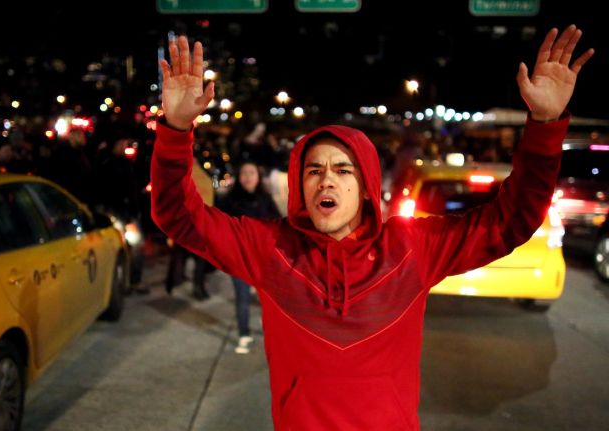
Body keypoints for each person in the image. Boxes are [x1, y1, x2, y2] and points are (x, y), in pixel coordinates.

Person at [152, 28, 593, 430]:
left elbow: (509, 220)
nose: (327, 179)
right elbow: (178, 214)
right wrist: (175, 129)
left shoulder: (411, 248)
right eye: (314, 171)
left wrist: (545, 127)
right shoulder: (271, 249)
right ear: (299, 186)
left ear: (364, 187)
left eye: (343, 170)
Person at [218, 161, 281, 353]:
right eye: (244, 173)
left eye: (252, 172)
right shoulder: (230, 200)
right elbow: (221, 227)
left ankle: (271, 330)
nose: (248, 177)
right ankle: (244, 334)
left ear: (258, 176)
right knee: (242, 297)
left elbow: (277, 224)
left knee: (270, 298)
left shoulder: (265, 199)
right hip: (240, 258)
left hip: (263, 258)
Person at [164, 160, 214, 300]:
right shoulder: (204, 178)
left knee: (178, 256)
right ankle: (198, 288)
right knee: (200, 259)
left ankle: (172, 284)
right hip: (199, 227)